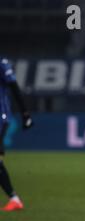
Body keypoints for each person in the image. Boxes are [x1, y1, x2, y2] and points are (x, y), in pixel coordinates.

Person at [0, 56, 33, 211]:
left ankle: (14, 198)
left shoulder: (2, 63)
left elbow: (14, 86)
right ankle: (14, 199)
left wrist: (25, 113)